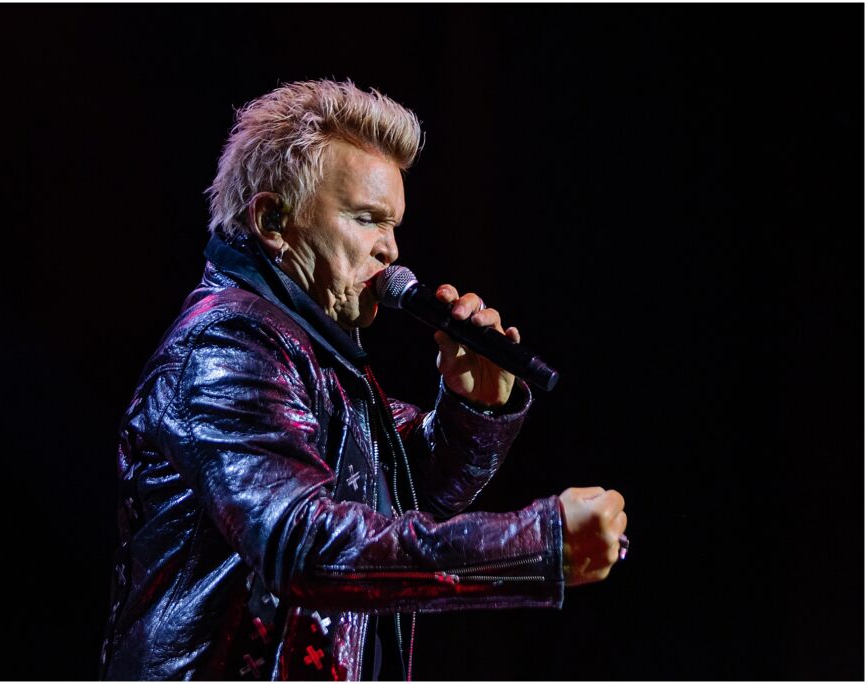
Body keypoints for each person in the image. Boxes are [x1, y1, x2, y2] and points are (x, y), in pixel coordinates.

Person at [100, 79, 627, 681]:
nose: (391, 252)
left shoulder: (317, 354)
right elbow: (308, 547)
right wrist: (537, 545)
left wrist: (472, 411)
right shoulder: (227, 348)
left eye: (394, 226)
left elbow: (399, 503)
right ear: (273, 218)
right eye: (367, 220)